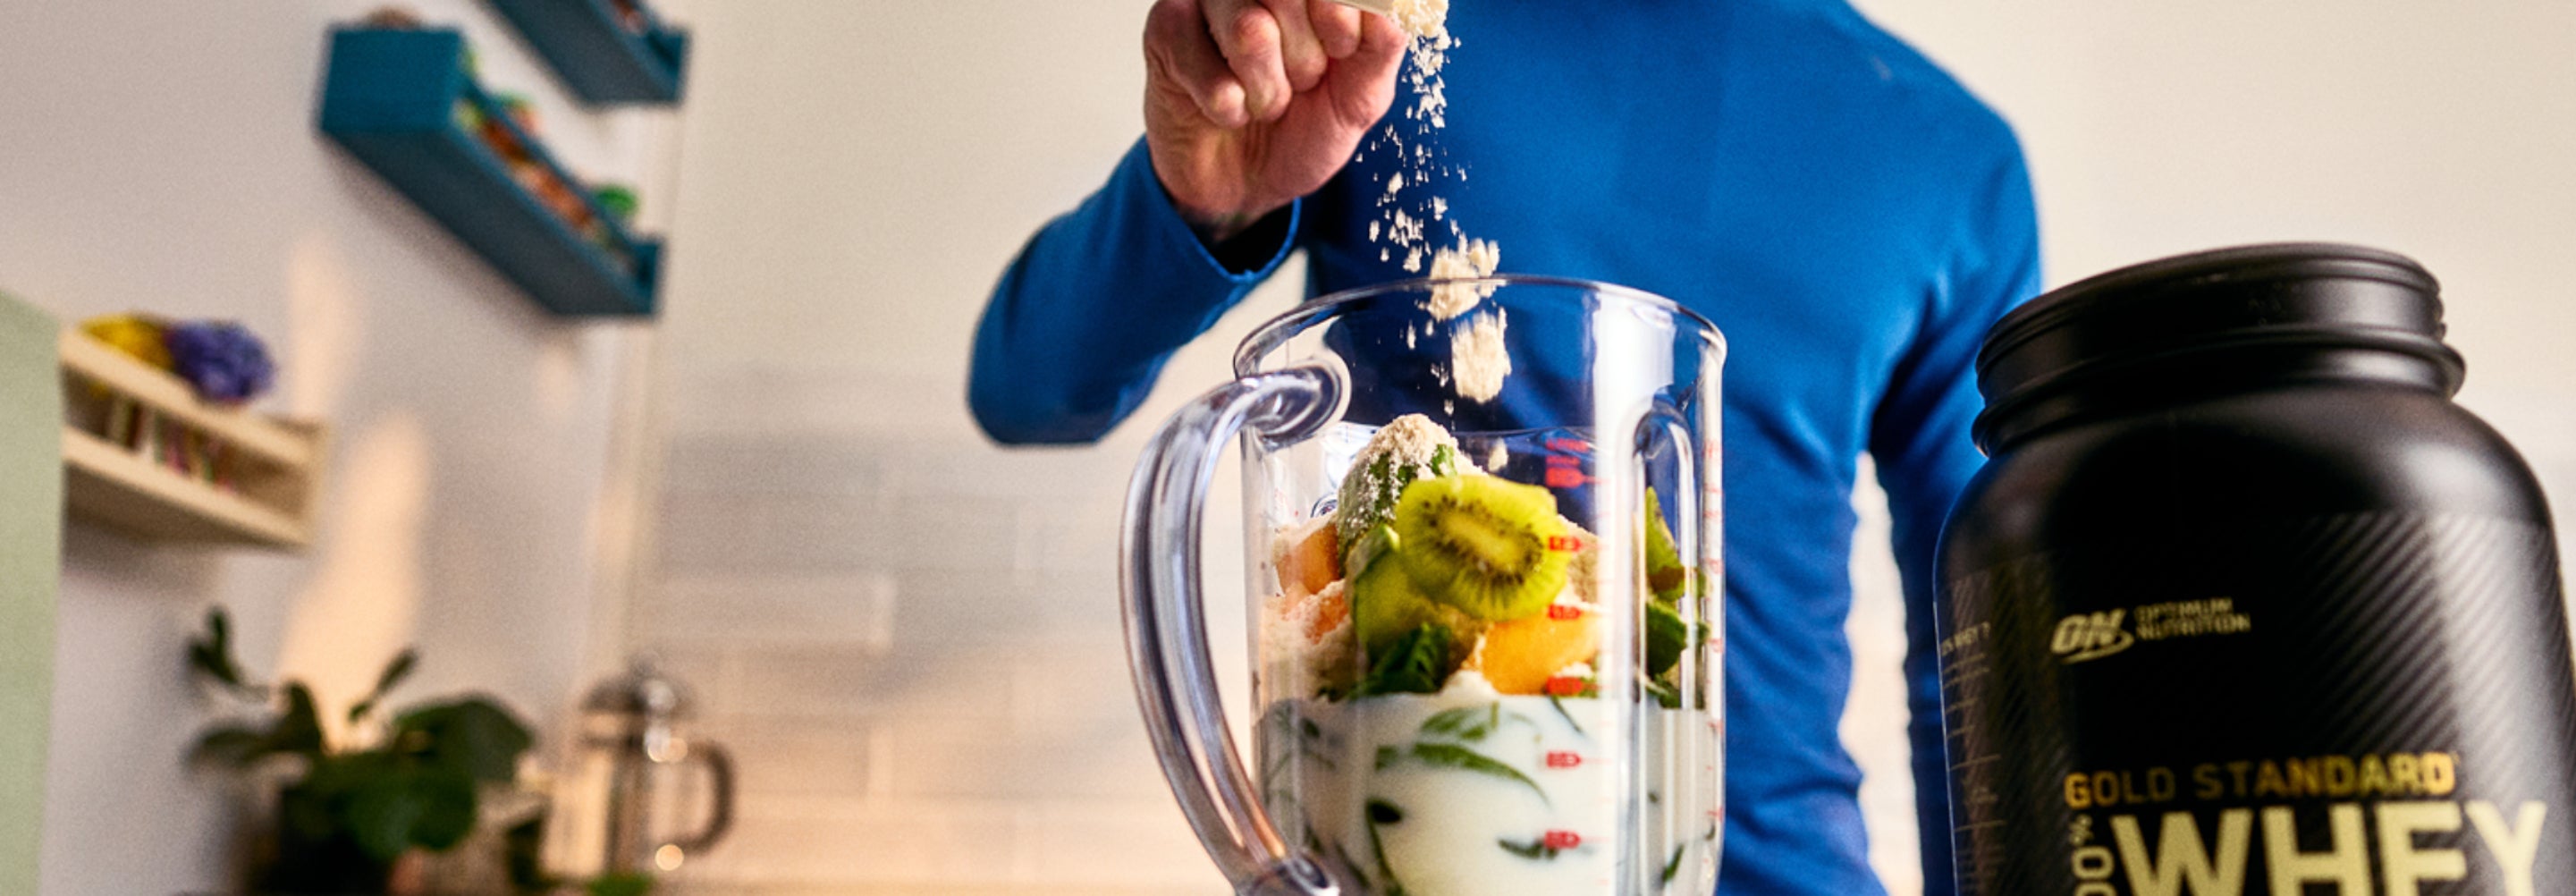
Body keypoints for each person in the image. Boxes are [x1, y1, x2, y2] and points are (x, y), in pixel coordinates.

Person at [970, 1, 2040, 893]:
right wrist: (1202, 200)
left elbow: (1980, 655)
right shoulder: (1384, 33)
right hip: (1418, 849)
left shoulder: (1954, 159)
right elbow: (1028, 388)